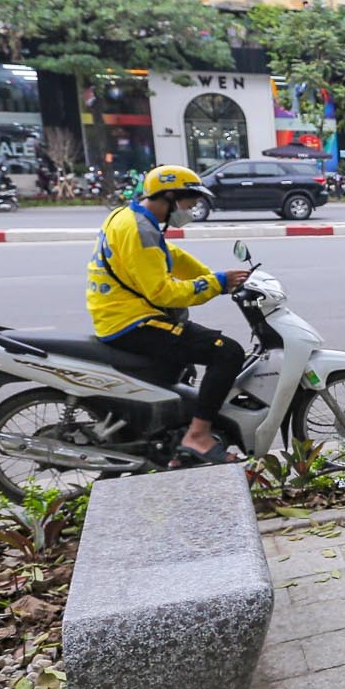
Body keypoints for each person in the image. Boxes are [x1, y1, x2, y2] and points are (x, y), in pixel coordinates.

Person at [88, 165, 251, 465]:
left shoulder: (129, 217)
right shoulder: (141, 230)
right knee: (227, 352)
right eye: (190, 202)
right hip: (134, 322)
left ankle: (170, 444)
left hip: (117, 315)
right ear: (170, 196)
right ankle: (198, 437)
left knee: (184, 361)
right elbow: (163, 293)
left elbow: (169, 255)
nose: (191, 209)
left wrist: (213, 277)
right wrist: (216, 283)